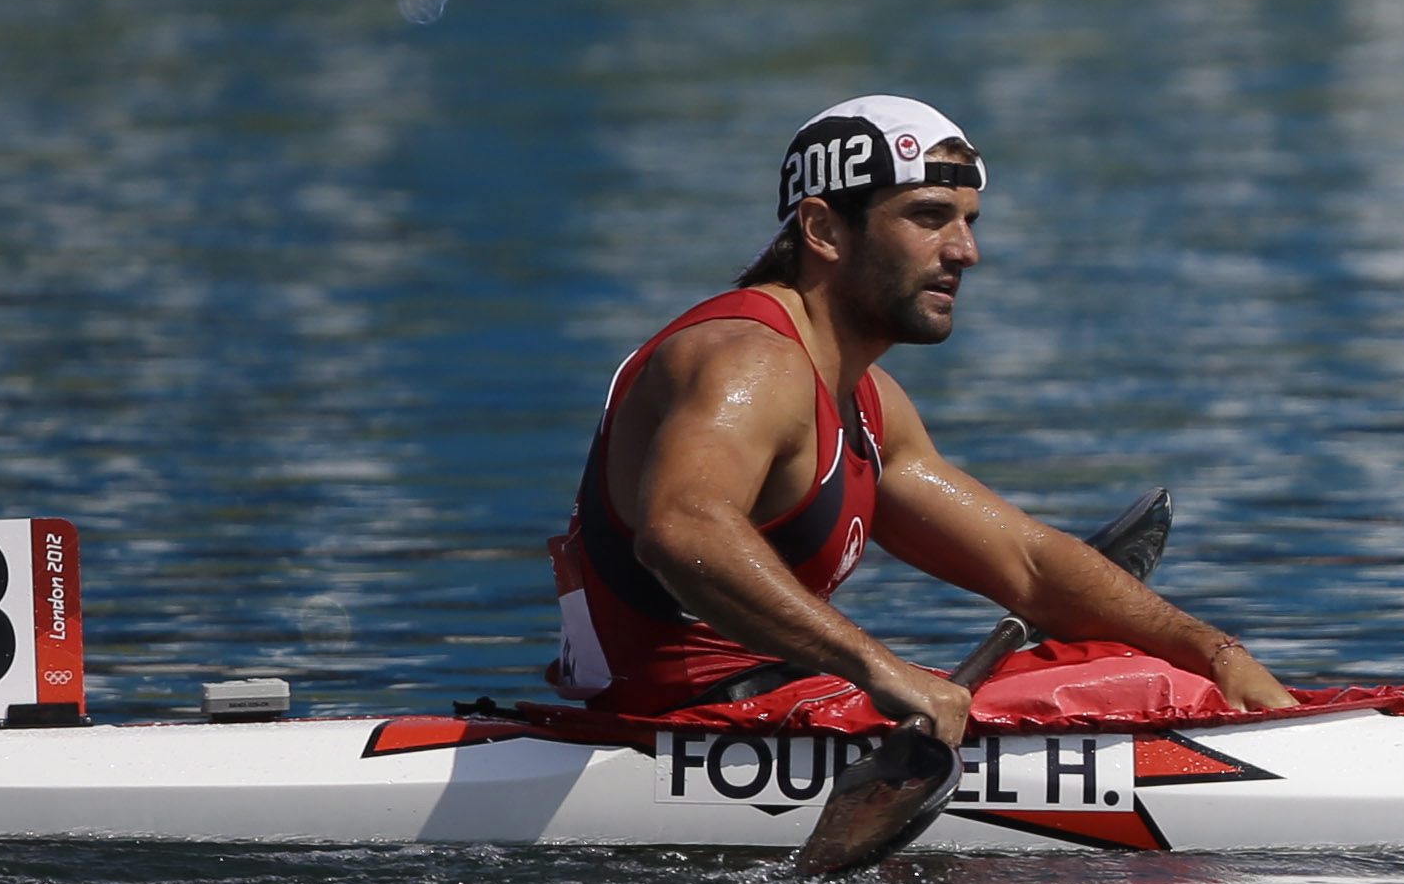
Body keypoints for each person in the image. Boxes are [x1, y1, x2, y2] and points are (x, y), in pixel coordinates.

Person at [549, 95, 1294, 737]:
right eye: (930, 218)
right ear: (823, 230)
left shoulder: (868, 400)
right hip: (701, 723)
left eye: (968, 220)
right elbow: (682, 530)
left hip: (782, 707)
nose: (966, 251)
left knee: (1139, 663)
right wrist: (881, 669)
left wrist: (1216, 652)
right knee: (1149, 689)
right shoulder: (750, 360)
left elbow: (1029, 566)